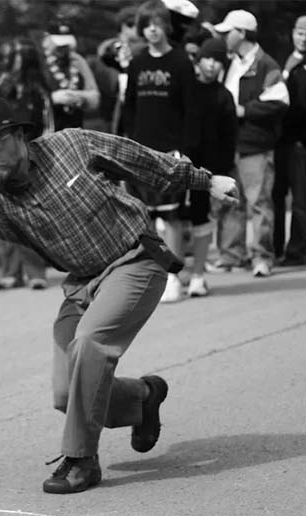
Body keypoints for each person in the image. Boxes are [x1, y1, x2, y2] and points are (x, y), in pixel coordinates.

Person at [0, 97, 238, 494]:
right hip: (82, 283)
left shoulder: (72, 144)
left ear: (19, 135)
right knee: (65, 393)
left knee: (90, 343)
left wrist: (207, 181)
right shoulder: (1, 194)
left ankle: (81, 459)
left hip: (134, 260)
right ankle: (143, 397)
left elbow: (140, 159)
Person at [122, 0, 200, 303]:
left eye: (157, 23)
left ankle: (172, 277)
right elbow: (129, 107)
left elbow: (192, 111)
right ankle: (147, 276)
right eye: (147, 24)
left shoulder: (180, 62)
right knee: (143, 218)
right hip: (141, 151)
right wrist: (129, 143)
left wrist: (186, 150)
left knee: (171, 218)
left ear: (166, 26)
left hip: (171, 152)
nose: (152, 29)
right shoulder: (137, 63)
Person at [211, 9, 289, 277]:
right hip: (229, 143)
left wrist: (245, 110)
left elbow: (279, 100)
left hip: (256, 144)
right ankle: (231, 256)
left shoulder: (266, 64)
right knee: (231, 201)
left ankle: (262, 257)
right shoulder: (228, 61)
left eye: (228, 31)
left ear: (241, 33)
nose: (224, 36)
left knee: (259, 203)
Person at [0, 37, 52, 290]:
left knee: (32, 216)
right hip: (4, 158)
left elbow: (49, 125)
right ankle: (11, 272)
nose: (11, 60)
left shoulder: (39, 91)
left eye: (15, 55)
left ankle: (35, 271)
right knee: (6, 215)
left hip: (31, 156)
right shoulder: (2, 86)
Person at [185, 38, 238, 297]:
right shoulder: (186, 89)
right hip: (179, 163)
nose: (213, 64)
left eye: (218, 60)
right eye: (209, 58)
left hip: (208, 171)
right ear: (199, 59)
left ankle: (197, 275)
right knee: (171, 220)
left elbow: (229, 139)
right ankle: (177, 273)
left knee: (201, 220)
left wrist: (221, 172)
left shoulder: (223, 96)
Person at [272, 16, 306, 266]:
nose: (303, 39)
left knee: (301, 199)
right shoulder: (286, 59)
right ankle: (275, 247)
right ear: (293, 32)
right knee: (277, 195)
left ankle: (297, 250)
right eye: (300, 33)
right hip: (281, 140)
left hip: (304, 143)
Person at [41, 22, 100, 132]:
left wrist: (81, 97)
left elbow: (94, 96)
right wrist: (52, 98)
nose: (62, 48)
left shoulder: (78, 61)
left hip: (75, 128)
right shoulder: (40, 63)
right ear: (47, 41)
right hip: (48, 130)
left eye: (66, 45)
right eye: (58, 45)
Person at [96, 6, 144, 134]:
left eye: (138, 24)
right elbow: (109, 78)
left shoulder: (147, 50)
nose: (135, 28)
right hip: (113, 112)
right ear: (122, 27)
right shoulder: (110, 48)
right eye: (130, 24)